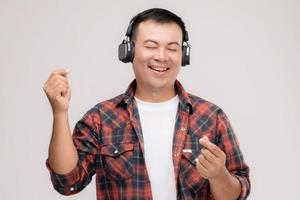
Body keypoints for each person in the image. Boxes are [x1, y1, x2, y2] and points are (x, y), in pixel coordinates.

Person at [43, 8, 250, 200]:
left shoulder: (211, 117)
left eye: (172, 48)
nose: (161, 56)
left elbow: (237, 192)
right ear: (129, 51)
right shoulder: (101, 118)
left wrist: (219, 175)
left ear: (183, 55)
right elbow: (68, 183)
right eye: (151, 46)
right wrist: (60, 113)